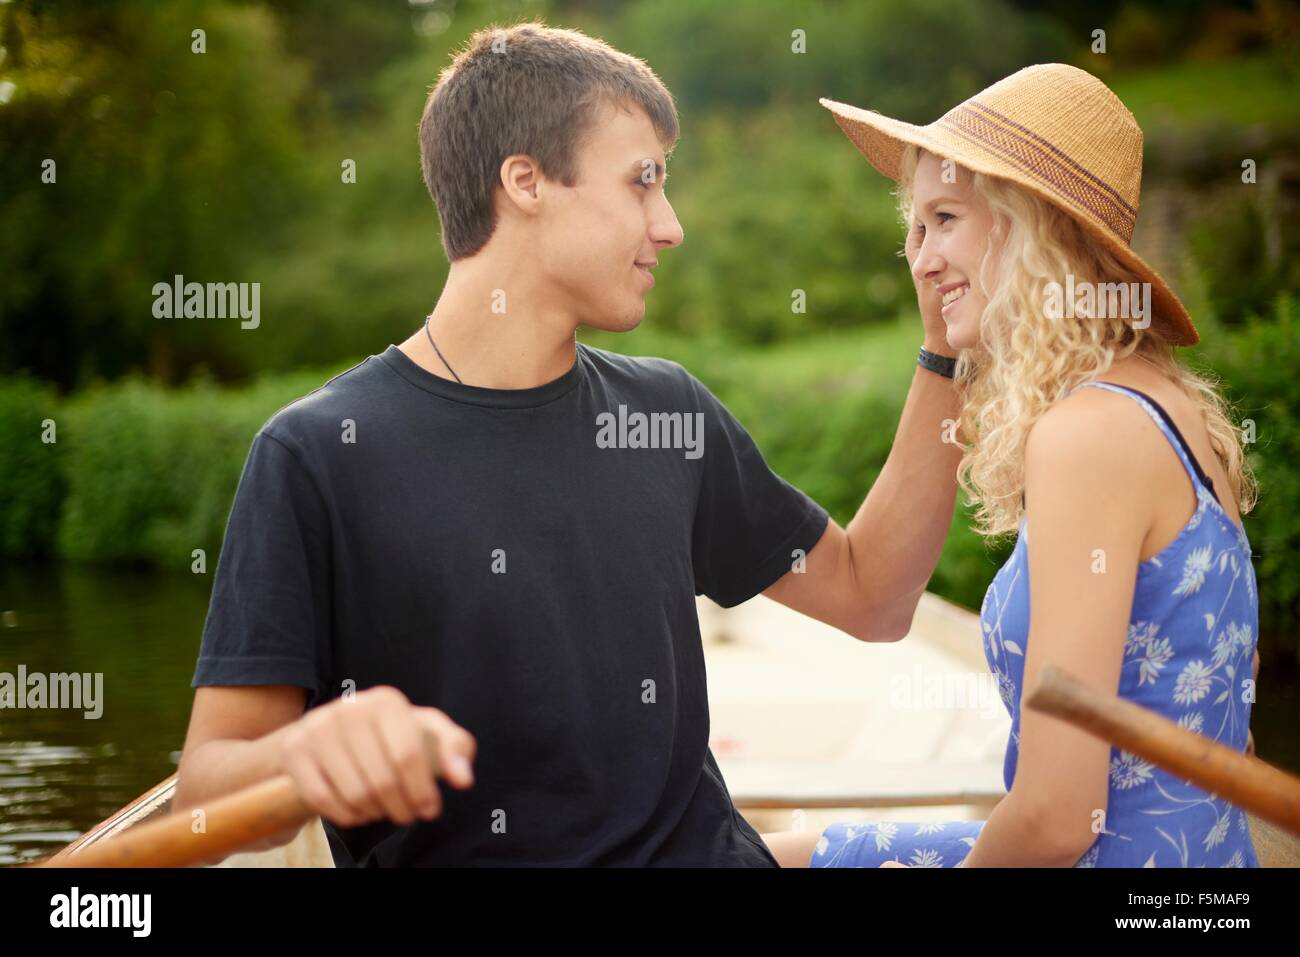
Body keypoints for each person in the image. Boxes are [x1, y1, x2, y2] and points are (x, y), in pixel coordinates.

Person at [171, 22, 966, 866]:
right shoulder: (318, 455)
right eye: (643, 183)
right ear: (526, 181)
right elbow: (204, 803)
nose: (670, 226)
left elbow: (872, 597)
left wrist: (946, 349)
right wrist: (305, 752)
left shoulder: (667, 413)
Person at [764, 63, 1260, 868]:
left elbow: (1061, 819)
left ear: (1035, 228)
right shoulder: (1167, 408)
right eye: (915, 229)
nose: (919, 259)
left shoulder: (1086, 437)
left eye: (945, 219)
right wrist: (948, 338)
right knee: (776, 851)